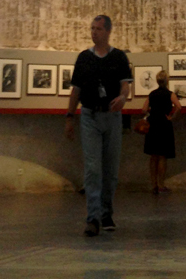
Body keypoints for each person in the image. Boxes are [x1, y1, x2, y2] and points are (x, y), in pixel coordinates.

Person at [66, 14, 132, 236]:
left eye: (98, 29)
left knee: (111, 170)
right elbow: (75, 90)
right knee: (93, 169)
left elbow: (125, 87)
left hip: (112, 118)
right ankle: (93, 217)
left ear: (108, 31)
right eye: (92, 28)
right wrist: (69, 117)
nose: (94, 32)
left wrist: (123, 98)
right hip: (90, 116)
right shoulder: (84, 58)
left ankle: (106, 213)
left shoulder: (119, 58)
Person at [142, 70, 180, 192]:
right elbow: (179, 107)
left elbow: (143, 109)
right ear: (167, 81)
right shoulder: (170, 94)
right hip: (164, 124)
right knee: (163, 155)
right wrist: (172, 117)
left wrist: (151, 113)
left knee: (153, 156)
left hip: (153, 124)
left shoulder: (152, 94)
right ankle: (161, 184)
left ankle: (153, 184)